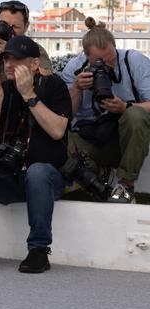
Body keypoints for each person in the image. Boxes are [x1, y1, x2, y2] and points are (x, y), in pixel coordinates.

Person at [0, 35, 71, 273]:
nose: (9, 64)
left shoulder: (54, 86)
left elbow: (58, 130)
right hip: (9, 176)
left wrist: (29, 96)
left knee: (38, 172)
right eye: (6, 58)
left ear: (35, 64)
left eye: (17, 59)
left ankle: (39, 250)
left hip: (45, 180)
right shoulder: (0, 89)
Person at [60, 18, 150, 204]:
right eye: (100, 63)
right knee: (59, 135)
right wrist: (76, 88)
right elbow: (65, 116)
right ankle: (99, 174)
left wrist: (125, 107)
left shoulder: (133, 61)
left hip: (124, 138)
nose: (108, 66)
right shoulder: (74, 69)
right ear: (86, 57)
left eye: (112, 59)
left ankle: (125, 185)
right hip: (90, 135)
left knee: (135, 115)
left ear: (115, 47)